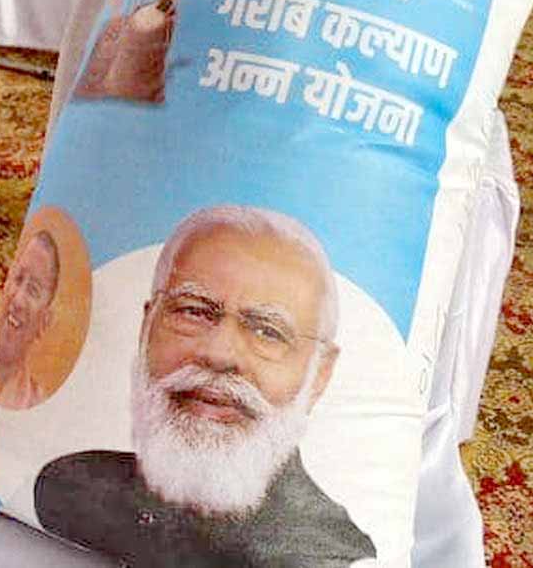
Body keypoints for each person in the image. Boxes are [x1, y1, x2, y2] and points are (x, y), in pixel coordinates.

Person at [34, 206, 376, 566]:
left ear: (320, 374)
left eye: (268, 331)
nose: (218, 354)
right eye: (193, 311)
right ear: (147, 326)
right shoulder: (70, 490)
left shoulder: (328, 555)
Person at [0, 230, 62, 409]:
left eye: (33, 290)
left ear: (44, 322)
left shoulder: (36, 404)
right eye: (18, 279)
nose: (17, 299)